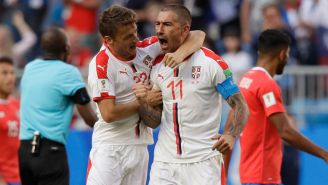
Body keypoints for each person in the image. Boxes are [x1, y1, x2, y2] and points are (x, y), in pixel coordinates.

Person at [86, 5, 205, 185]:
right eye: (127, 37)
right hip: (110, 149)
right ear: (109, 40)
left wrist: (180, 54)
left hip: (141, 147)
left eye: (135, 32)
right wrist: (142, 101)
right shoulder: (102, 64)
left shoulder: (145, 48)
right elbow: (108, 113)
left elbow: (198, 35)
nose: (135, 39)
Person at [133, 4, 249, 185]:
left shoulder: (212, 63)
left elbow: (240, 104)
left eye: (167, 24)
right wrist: (142, 102)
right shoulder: (156, 65)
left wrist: (231, 135)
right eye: (157, 24)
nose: (159, 30)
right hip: (165, 164)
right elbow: (154, 121)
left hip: (203, 163)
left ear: (185, 29)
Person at [224, 29, 328, 185]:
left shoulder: (244, 81)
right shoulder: (266, 85)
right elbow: (285, 131)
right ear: (282, 54)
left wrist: (223, 177)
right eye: (287, 54)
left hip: (248, 176)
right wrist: (323, 153)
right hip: (263, 177)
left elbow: (229, 131)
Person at [19, 27, 97, 185]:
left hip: (25, 151)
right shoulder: (69, 72)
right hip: (50, 152)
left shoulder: (29, 68)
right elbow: (88, 117)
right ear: (67, 49)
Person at [0, 57, 20, 185]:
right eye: (4, 73)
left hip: (20, 177)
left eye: (12, 73)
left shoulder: (18, 105)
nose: (10, 77)